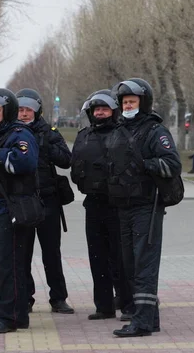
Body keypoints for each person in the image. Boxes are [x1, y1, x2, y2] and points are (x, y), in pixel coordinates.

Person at [106, 78, 182, 337]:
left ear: (143, 103)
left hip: (146, 208)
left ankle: (141, 323)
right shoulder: (118, 130)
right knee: (130, 264)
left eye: (132, 101)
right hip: (123, 207)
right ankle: (151, 319)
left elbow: (172, 164)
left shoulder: (154, 131)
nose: (128, 106)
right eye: (124, 102)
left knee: (143, 265)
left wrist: (145, 165)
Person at [0, 88, 39, 334]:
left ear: (8, 110)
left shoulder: (19, 133)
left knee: (9, 264)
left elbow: (25, 162)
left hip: (10, 210)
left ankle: (8, 316)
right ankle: (19, 315)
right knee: (9, 263)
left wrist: (1, 155)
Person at [71, 89, 133, 322]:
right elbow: (75, 165)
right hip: (93, 203)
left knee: (121, 257)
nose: (100, 113)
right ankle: (104, 306)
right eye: (96, 109)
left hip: (117, 204)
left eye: (104, 109)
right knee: (97, 257)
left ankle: (128, 305)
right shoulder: (83, 135)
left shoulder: (123, 133)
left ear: (114, 111)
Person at [16, 88, 74, 315]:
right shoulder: (10, 132)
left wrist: (45, 144)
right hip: (22, 202)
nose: (24, 114)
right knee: (22, 254)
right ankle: (25, 297)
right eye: (20, 109)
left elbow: (66, 160)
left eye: (28, 109)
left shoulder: (49, 132)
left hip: (48, 200)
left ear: (37, 110)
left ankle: (58, 298)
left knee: (51, 253)